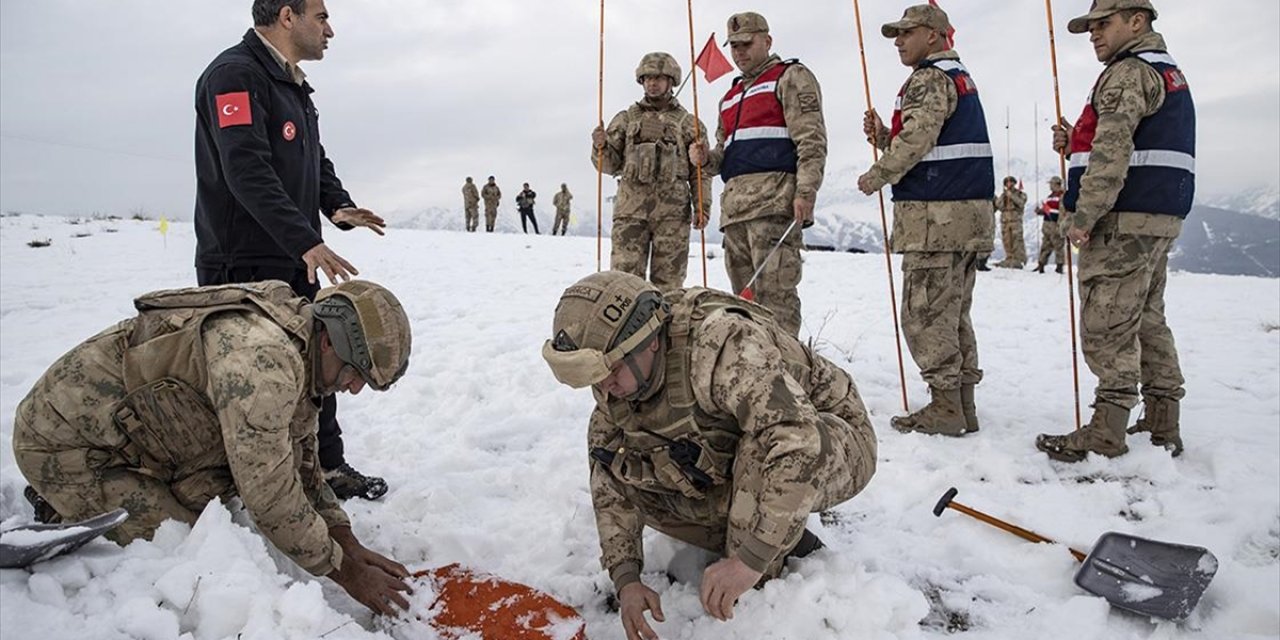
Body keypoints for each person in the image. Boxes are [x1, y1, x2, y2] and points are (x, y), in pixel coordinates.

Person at [13, 280, 414, 616]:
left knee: (214, 495)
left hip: (128, 433)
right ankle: (56, 497)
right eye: (354, 373)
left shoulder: (300, 343)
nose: (355, 388)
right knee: (186, 547)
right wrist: (346, 573)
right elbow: (270, 494)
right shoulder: (263, 362)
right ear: (329, 342)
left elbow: (301, 462)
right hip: (63, 445)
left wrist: (345, 540)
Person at [541, 271, 877, 639]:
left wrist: (750, 560)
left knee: (762, 450)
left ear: (649, 342)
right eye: (595, 376)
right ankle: (771, 531)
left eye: (613, 369)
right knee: (638, 466)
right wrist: (626, 579)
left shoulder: (721, 345)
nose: (604, 385)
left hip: (834, 437)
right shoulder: (617, 382)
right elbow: (609, 474)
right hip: (756, 446)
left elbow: (797, 441)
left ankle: (758, 602)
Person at [193, 0, 388, 500]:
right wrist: (305, 238)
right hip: (244, 265)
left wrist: (337, 206)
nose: (330, 29)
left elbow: (312, 158)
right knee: (249, 377)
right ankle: (242, 481)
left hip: (293, 257)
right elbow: (246, 171)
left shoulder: (293, 84)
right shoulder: (235, 76)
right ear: (287, 16)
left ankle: (326, 468)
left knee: (315, 364)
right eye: (321, 17)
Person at [1036, 0, 1193, 462]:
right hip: (1157, 214)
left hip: (1123, 218)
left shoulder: (1128, 72)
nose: (1094, 34)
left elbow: (1111, 153)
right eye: (1090, 27)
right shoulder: (1164, 70)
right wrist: (1076, 141)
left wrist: (1084, 215)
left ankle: (1108, 430)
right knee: (1146, 317)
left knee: (1107, 322)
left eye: (1103, 24)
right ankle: (1163, 420)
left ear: (1137, 21)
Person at [856, 4, 994, 436]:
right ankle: (962, 405)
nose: (899, 41)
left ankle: (945, 407)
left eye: (906, 32)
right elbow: (931, 139)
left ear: (934, 36)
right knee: (953, 313)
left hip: (937, 217)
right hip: (966, 217)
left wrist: (877, 173)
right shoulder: (956, 78)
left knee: (925, 313)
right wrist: (883, 136)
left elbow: (917, 139)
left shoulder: (929, 78)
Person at [688, 12, 827, 336]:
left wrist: (806, 191)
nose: (739, 52)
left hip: (774, 206)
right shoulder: (730, 96)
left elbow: (811, 140)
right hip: (735, 212)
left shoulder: (790, 77)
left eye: (746, 44)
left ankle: (787, 373)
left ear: (767, 41)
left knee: (776, 300)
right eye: (734, 46)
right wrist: (705, 158)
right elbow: (726, 155)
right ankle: (755, 374)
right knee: (744, 305)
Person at [592, 52, 711, 291]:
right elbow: (608, 166)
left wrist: (702, 206)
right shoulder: (626, 119)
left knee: (669, 285)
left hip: (672, 216)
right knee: (623, 283)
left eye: (658, 77)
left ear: (671, 81)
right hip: (630, 213)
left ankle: (666, 328)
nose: (652, 83)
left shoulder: (688, 123)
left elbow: (700, 170)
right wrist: (600, 146)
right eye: (647, 78)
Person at [993, 176, 1028, 268]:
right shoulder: (1003, 195)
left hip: (1015, 220)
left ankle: (1019, 259)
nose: (1009, 184)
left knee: (1017, 240)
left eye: (1011, 182)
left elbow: (1021, 203)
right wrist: (1004, 196)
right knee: (1007, 240)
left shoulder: (1020, 194)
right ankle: (1009, 258)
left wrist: (1011, 196)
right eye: (1007, 183)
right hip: (1005, 220)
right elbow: (999, 206)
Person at [1034, 176, 1066, 273]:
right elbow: (1048, 210)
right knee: (1045, 245)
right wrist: (1040, 211)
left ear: (1057, 184)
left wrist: (1059, 226)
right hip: (1047, 224)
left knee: (1058, 246)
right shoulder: (1050, 196)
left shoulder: (1062, 196)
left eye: (1051, 184)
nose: (1050, 186)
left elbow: (1062, 212)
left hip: (1055, 224)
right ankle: (1041, 264)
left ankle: (1059, 266)